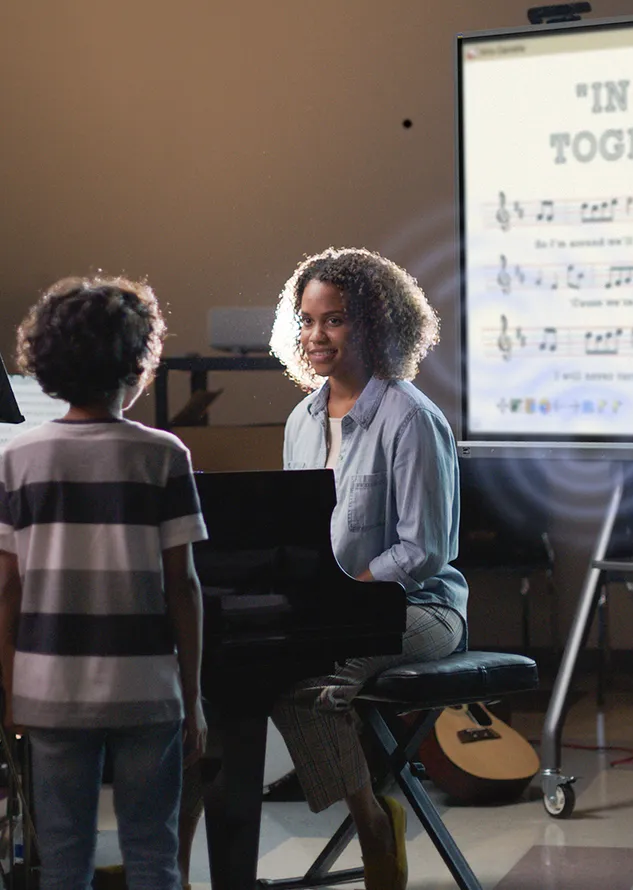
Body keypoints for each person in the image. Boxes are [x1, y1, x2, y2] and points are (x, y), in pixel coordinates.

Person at [177, 248, 468, 890]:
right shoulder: (301, 420)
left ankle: (371, 823)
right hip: (331, 609)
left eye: (333, 321)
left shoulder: (412, 418)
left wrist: (343, 595)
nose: (315, 337)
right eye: (306, 321)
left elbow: (426, 551)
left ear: (375, 325)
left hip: (420, 607)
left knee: (311, 676)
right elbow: (298, 533)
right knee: (222, 674)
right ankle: (175, 859)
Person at [0, 277, 208, 890]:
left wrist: (12, 687)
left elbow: (6, 590)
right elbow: (184, 587)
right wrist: (190, 694)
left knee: (63, 855)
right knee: (153, 850)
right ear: (139, 364)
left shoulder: (16, 459)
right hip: (146, 685)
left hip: (50, 689)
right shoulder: (163, 455)